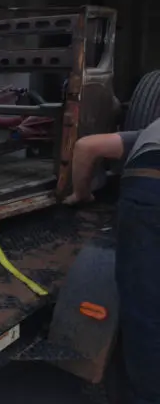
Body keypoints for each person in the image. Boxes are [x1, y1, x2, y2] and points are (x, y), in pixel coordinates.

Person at [65, 117, 160, 404]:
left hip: (151, 191)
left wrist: (81, 193)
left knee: (146, 312)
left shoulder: (149, 134)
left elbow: (85, 146)